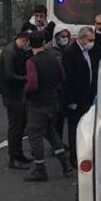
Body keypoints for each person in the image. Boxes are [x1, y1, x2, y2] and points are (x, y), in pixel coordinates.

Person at [24, 33, 73, 181]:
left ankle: (40, 169)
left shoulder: (32, 62)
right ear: (44, 42)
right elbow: (62, 76)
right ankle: (66, 165)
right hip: (52, 101)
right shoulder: (53, 58)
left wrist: (25, 91)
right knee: (50, 133)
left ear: (29, 44)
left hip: (38, 104)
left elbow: (33, 84)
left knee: (34, 135)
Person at [0, 30, 34, 170]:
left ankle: (19, 153)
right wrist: (26, 79)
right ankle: (14, 157)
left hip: (17, 93)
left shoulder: (19, 51)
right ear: (24, 40)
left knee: (21, 124)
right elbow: (9, 75)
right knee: (15, 126)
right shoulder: (10, 52)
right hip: (11, 93)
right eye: (27, 42)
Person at [62, 26, 97, 154]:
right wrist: (71, 101)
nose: (92, 43)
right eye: (90, 40)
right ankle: (74, 156)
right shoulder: (70, 53)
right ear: (81, 39)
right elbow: (68, 79)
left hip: (88, 97)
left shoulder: (88, 51)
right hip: (76, 100)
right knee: (75, 129)